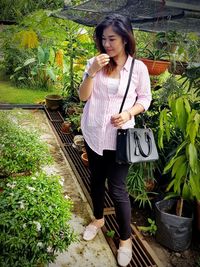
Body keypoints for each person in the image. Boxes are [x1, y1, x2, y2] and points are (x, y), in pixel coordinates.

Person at [79, 14, 151, 267]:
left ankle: (125, 239)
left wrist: (129, 112)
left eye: (112, 38)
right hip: (93, 132)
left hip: (120, 139)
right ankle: (98, 219)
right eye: (103, 38)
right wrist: (91, 71)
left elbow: (145, 98)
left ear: (125, 38)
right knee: (96, 180)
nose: (106, 44)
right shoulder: (95, 62)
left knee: (118, 189)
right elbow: (84, 98)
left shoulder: (138, 68)